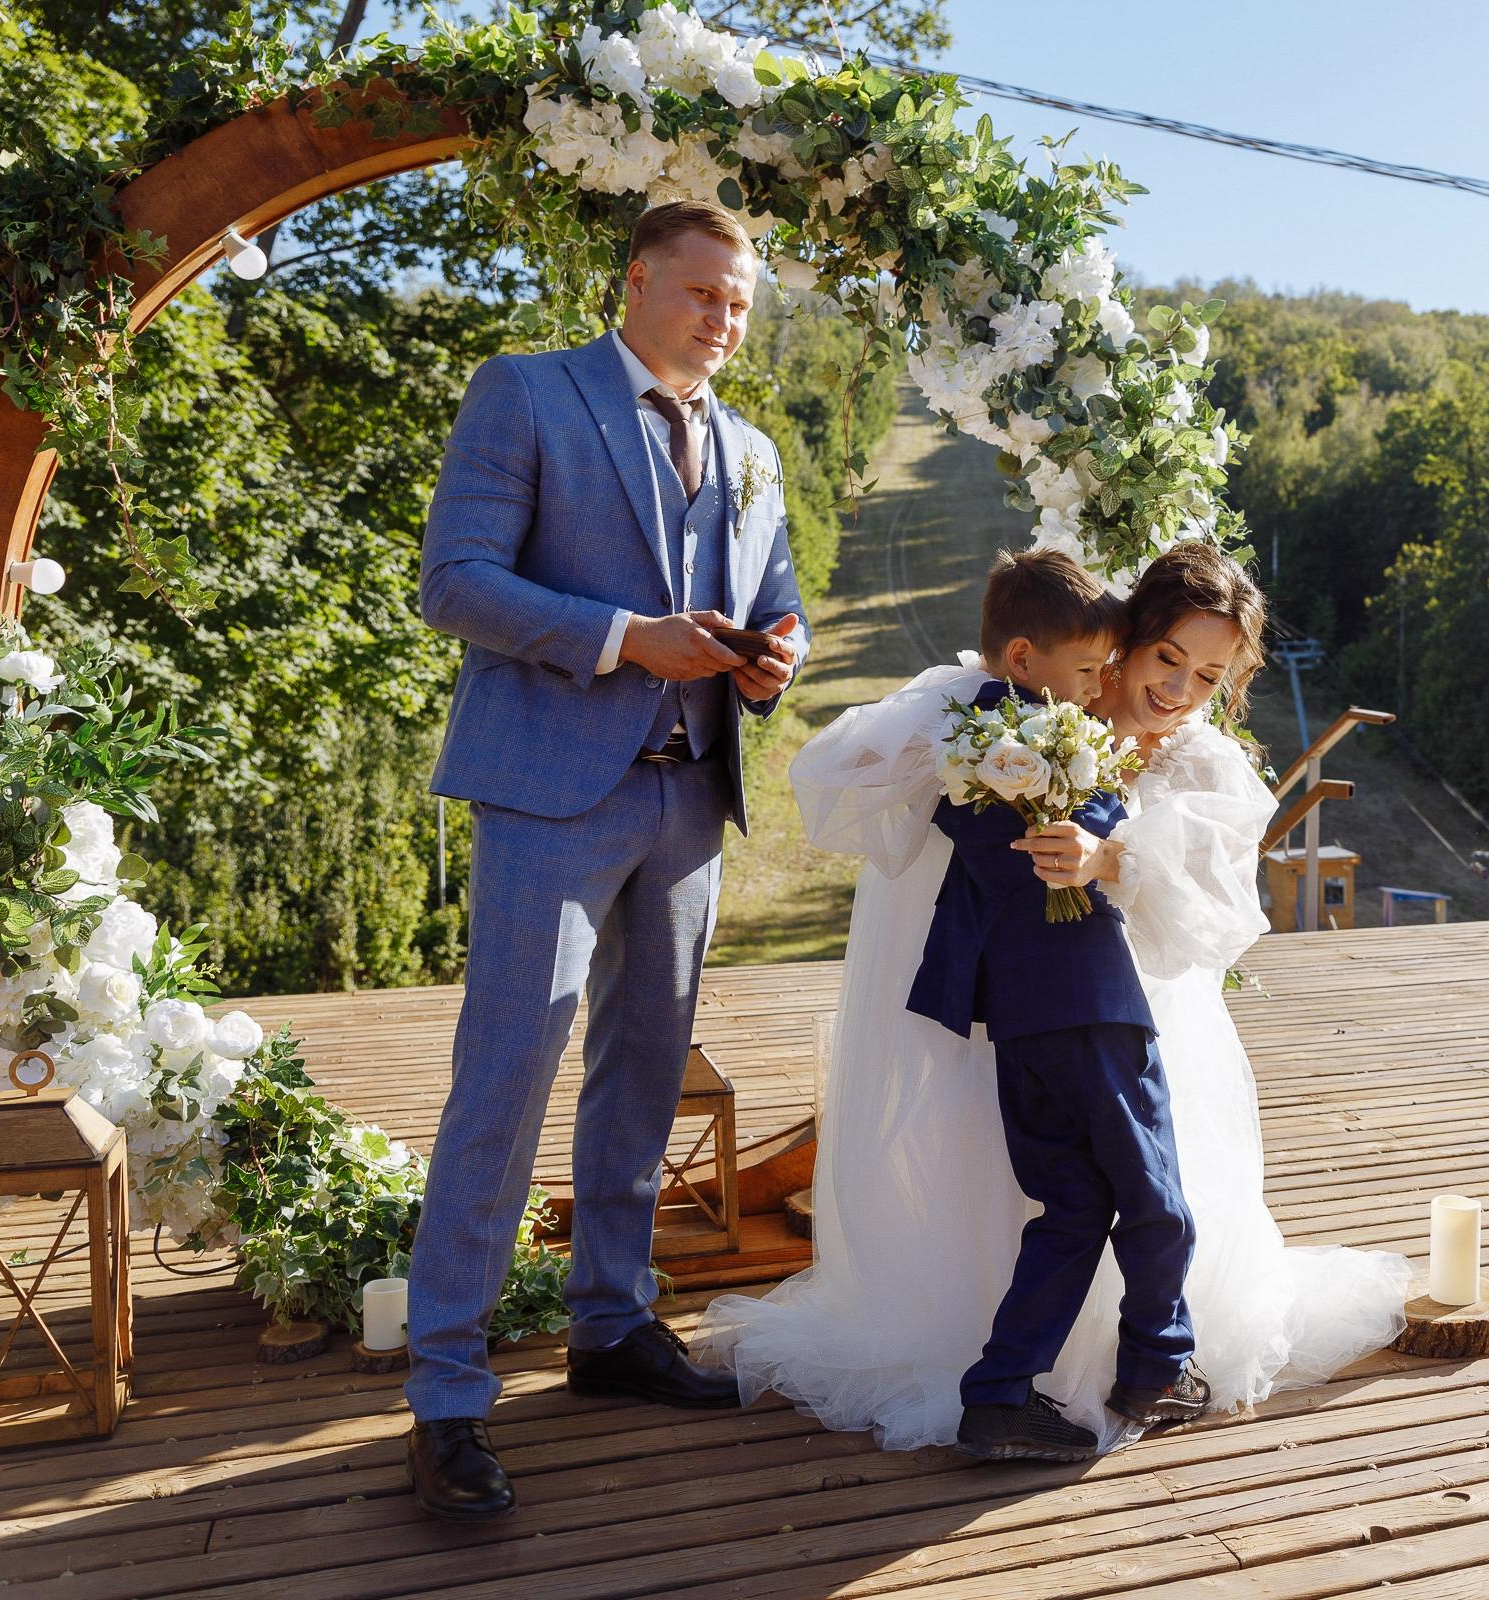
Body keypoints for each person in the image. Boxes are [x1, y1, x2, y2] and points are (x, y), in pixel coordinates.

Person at [702, 541, 1409, 1456]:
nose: (1180, 691)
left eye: (1208, 676)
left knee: (1126, 1199)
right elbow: (854, 777)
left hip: (1126, 1014)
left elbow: (1222, 915)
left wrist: (1116, 858)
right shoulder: (1027, 711)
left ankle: (1098, 1366)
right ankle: (1071, 1369)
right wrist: (947, 747)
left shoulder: (1203, 767)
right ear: (1125, 640)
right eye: (1166, 659)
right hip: (1022, 1016)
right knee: (1099, 1199)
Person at [403, 199, 808, 1522]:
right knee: (506, 1083)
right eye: (702, 294)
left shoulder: (751, 449)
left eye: (739, 304)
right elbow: (454, 582)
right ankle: (448, 1397)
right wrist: (631, 634)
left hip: (690, 803)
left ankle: (612, 1330)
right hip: (548, 799)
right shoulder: (525, 394)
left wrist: (777, 651)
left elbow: (776, 590)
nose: (722, 320)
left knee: (642, 1075)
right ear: (634, 283)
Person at [908, 550, 1207, 1462]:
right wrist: (1107, 812)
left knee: (1073, 1205)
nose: (1099, 687)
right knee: (1157, 1200)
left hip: (1017, 1013)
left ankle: (998, 1395)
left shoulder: (970, 745)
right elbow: (1099, 838)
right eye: (1088, 671)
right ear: (1025, 660)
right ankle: (1158, 1366)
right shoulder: (1039, 748)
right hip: (1089, 1004)